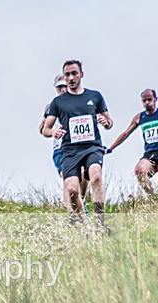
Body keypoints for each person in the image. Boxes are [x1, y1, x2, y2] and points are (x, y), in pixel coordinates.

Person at [42, 60, 113, 228]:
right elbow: (45, 128)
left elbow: (110, 122)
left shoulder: (94, 96)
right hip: (69, 151)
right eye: (67, 75)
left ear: (81, 74)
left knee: (96, 177)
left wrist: (105, 121)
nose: (71, 78)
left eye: (74, 73)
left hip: (91, 147)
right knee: (73, 191)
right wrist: (53, 132)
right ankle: (83, 226)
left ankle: (100, 224)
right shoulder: (58, 103)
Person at [105, 89, 158, 194]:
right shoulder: (139, 117)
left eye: (149, 99)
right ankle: (152, 198)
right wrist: (110, 148)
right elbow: (125, 134)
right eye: (144, 100)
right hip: (150, 154)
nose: (147, 103)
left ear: (155, 99)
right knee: (139, 170)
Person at [40, 74, 88, 210]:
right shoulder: (51, 106)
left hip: (79, 147)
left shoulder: (80, 103)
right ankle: (72, 215)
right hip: (60, 149)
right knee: (67, 180)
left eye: (64, 86)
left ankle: (81, 201)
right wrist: (46, 128)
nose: (62, 90)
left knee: (84, 174)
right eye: (59, 87)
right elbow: (43, 130)